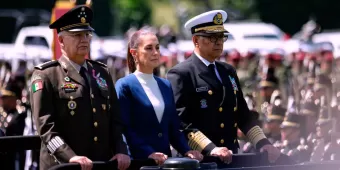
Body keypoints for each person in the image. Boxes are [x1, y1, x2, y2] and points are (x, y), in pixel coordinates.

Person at [166, 10, 280, 164]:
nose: (219, 42)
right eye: (212, 37)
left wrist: (263, 143)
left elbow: (243, 114)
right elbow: (182, 122)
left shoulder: (228, 71)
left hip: (231, 157)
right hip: (200, 160)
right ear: (196, 41)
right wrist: (211, 149)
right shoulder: (181, 73)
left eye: (221, 37)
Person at [30, 5, 130, 170]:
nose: (84, 40)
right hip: (63, 165)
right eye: (77, 35)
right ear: (61, 40)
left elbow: (115, 121)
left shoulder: (101, 72)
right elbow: (47, 129)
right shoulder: (46, 75)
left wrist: (121, 150)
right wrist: (70, 156)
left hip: (100, 164)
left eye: (87, 34)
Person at [115, 30, 203, 165]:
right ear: (134, 53)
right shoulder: (125, 85)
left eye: (157, 47)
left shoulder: (165, 85)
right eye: (149, 48)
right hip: (139, 162)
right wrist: (148, 152)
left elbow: (173, 127)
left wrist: (186, 150)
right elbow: (124, 128)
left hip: (165, 162)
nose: (155, 53)